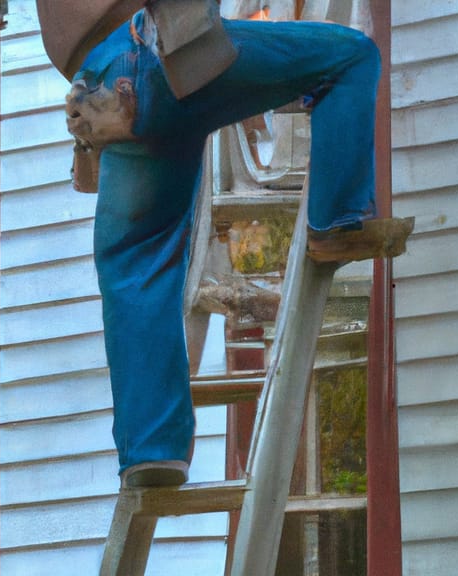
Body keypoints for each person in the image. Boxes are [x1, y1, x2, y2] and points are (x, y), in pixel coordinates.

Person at [36, 1, 411, 488]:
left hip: (104, 90)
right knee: (352, 55)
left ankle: (152, 451)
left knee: (134, 261)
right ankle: (337, 221)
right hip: (160, 54)